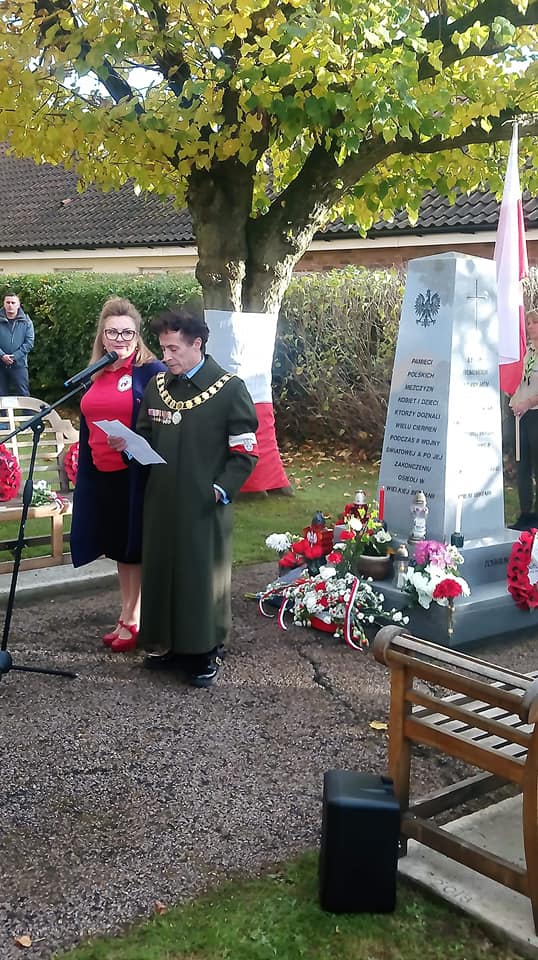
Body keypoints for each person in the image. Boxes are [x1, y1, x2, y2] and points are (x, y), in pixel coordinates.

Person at [136, 302, 258, 687]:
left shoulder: (230, 389)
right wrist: (128, 444)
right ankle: (168, 644)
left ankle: (205, 650)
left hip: (204, 503)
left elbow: (245, 453)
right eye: (163, 348)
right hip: (161, 501)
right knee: (163, 570)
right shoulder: (158, 387)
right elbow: (145, 433)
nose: (166, 356)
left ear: (197, 345)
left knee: (199, 576)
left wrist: (219, 490)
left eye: (173, 348)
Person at [70, 297, 165, 651]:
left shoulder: (150, 372)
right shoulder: (98, 371)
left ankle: (133, 618)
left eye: (127, 332)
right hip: (102, 472)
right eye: (112, 332)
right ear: (102, 336)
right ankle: (127, 613)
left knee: (132, 549)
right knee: (118, 550)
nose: (120, 339)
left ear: (137, 335)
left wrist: (133, 440)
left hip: (134, 475)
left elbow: (164, 425)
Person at [509, 308, 538, 531]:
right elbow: (516, 379)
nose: (530, 327)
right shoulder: (525, 352)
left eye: (534, 322)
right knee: (523, 466)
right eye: (528, 323)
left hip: (535, 412)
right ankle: (525, 514)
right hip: (521, 415)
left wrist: (528, 402)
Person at [0, 292, 34, 396]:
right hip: (0, 364)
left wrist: (15, 356)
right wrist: (2, 355)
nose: (10, 305)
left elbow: (29, 342)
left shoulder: (26, 321)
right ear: (4, 304)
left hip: (19, 364)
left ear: (18, 305)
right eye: (8, 302)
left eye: (13, 303)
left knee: (24, 394)